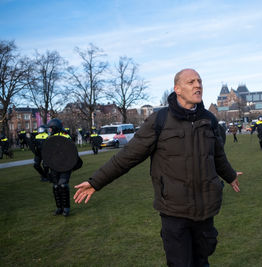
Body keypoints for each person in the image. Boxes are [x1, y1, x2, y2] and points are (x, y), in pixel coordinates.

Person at [74, 68, 242, 266]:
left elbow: (217, 156)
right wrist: (96, 182)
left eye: (200, 81)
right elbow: (127, 156)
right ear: (177, 89)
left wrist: (230, 175)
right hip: (174, 211)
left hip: (205, 211)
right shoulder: (159, 121)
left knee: (202, 260)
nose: (198, 85)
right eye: (191, 82)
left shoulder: (209, 120)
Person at [47, 118, 74, 216]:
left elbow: (70, 150)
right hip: (54, 165)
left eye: (50, 128)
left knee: (63, 185)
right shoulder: (50, 138)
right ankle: (59, 207)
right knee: (55, 186)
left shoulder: (65, 136)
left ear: (55, 127)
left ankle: (66, 208)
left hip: (65, 165)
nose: (49, 130)